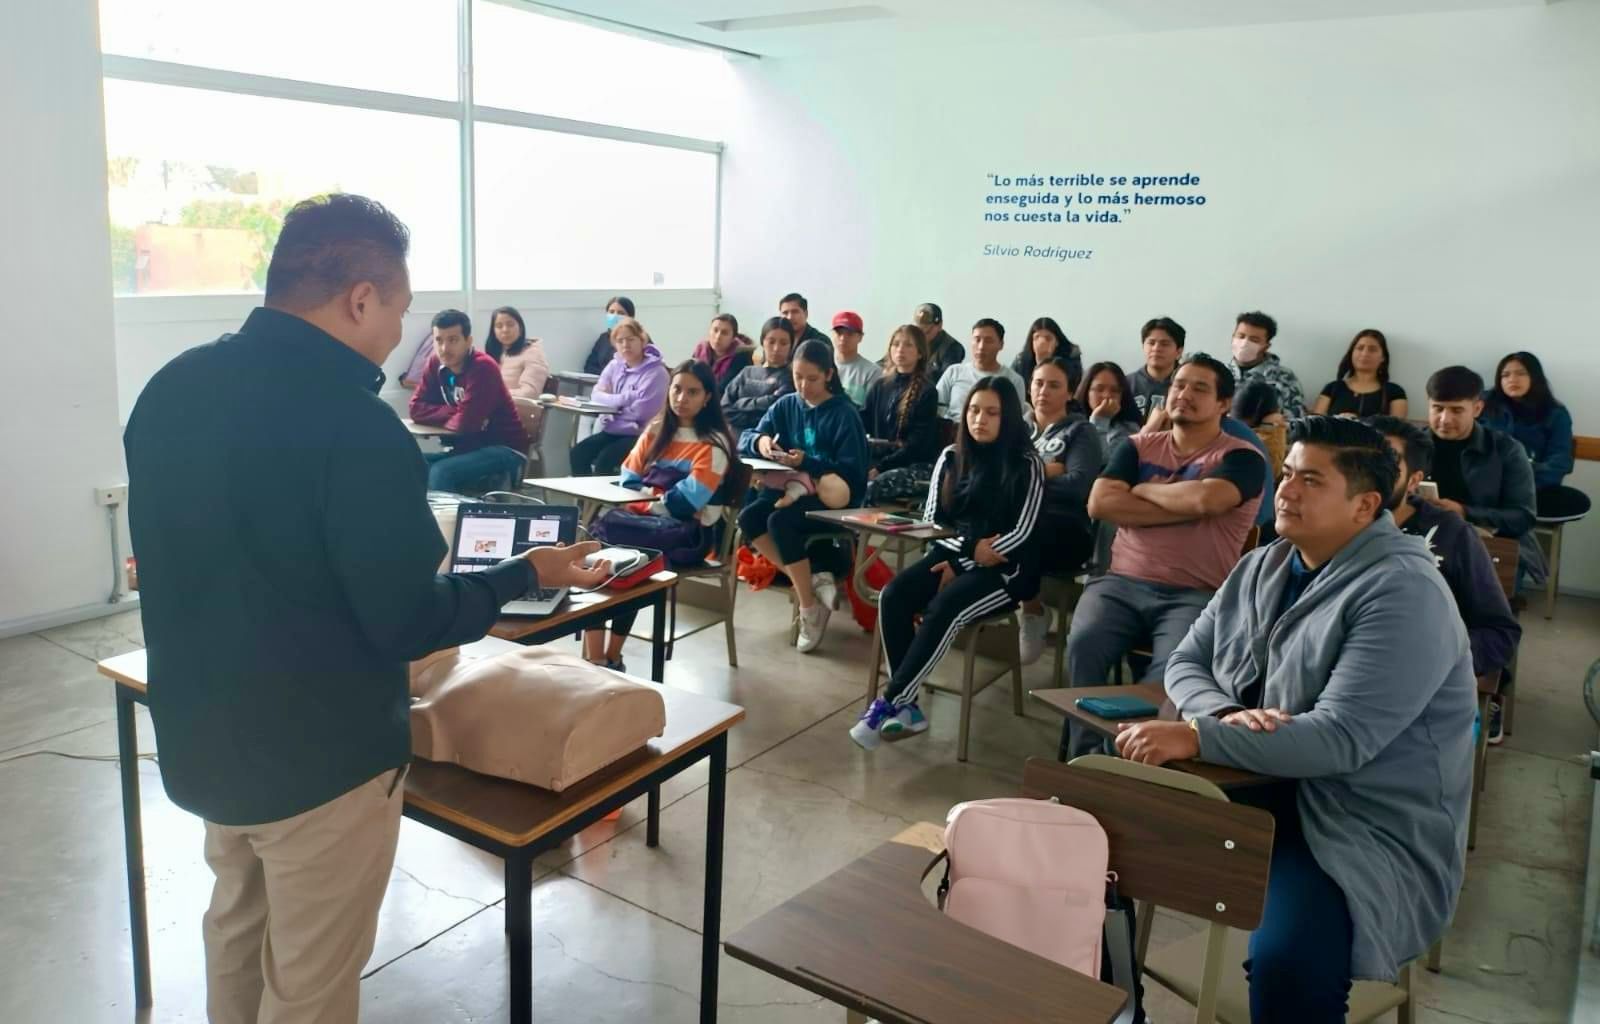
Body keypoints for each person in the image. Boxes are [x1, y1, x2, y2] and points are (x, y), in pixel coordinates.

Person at [123, 194, 609, 1024]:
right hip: (321, 762)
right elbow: (407, 620)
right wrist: (520, 574)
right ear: (359, 298)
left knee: (235, 936)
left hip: (204, 739)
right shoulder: (357, 429)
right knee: (309, 986)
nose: (400, 338)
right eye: (399, 311)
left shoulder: (170, 388)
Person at [1119, 417, 1473, 1022]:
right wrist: (1227, 716)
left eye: (1311, 481)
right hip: (1252, 783)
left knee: (1288, 963)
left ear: (1365, 505)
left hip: (1351, 820)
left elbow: (1340, 740)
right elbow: (1185, 661)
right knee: (1086, 846)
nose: (1285, 492)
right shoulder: (1267, 563)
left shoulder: (1403, 591)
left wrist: (1199, 734)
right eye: (1286, 475)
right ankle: (1123, 1008)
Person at [1063, 355, 1264, 758]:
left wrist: (1140, 490)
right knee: (1083, 644)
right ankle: (1082, 761)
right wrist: (1183, 502)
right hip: (1120, 584)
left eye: (1199, 388)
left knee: (1169, 672)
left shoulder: (1241, 458)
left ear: (1224, 403)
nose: (1184, 394)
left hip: (1196, 595)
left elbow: (1209, 497)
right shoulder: (1137, 447)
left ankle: (1128, 760)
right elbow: (1100, 503)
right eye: (1179, 385)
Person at [849, 377, 1044, 748]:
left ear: (1010, 418)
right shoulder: (951, 456)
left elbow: (1022, 534)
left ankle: (890, 703)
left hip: (1007, 571)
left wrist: (966, 562)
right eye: (973, 410)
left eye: (991, 412)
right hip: (953, 553)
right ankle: (910, 708)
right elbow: (933, 522)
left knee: (946, 608)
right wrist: (967, 553)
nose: (979, 419)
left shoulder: (1026, 464)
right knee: (894, 595)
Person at [583, 361, 737, 672]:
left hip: (688, 535)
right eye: (677, 389)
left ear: (708, 397)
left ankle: (612, 656)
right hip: (645, 526)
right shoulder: (656, 431)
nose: (682, 398)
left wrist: (643, 501)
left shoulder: (714, 444)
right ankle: (596, 657)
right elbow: (628, 478)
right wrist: (649, 500)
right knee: (593, 554)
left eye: (693, 392)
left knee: (631, 562)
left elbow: (685, 503)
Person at [1368, 416, 1521, 703]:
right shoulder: (1330, 525)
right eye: (1357, 461)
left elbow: (1500, 633)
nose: (1367, 474)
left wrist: (1433, 660)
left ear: (1414, 480)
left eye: (1386, 463)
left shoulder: (1452, 534)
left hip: (1419, 689)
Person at [738, 338, 870, 653]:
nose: (803, 385)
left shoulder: (843, 413)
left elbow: (853, 475)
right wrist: (762, 443)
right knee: (749, 518)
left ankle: (808, 609)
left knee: (779, 521)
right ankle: (812, 580)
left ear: (828, 374)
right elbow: (747, 436)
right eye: (798, 377)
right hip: (791, 488)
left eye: (812, 378)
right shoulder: (787, 404)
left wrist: (807, 462)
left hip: (833, 499)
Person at [1017, 357, 1105, 663]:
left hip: (1067, 529)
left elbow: (1077, 485)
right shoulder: (1017, 428)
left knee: (1023, 530)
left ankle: (1032, 611)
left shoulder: (1081, 432)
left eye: (1054, 385)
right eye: (1039, 383)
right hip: (1020, 520)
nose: (1043, 391)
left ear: (1070, 392)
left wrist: (1025, 476)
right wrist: (1047, 470)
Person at [408, 309, 530, 493]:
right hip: (467, 448)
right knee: (409, 463)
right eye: (439, 340)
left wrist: (458, 416)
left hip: (504, 448)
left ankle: (446, 521)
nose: (444, 348)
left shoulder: (483, 367)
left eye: (453, 340)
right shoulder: (435, 364)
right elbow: (415, 409)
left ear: (468, 341)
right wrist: (454, 412)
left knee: (442, 472)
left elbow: (465, 424)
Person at [1422, 365, 1538, 542]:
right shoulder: (1413, 444)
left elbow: (1523, 517)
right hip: (1421, 540)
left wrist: (1464, 512)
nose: (1445, 420)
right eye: (1437, 408)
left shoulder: (1507, 450)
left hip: (1489, 544)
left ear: (1477, 409)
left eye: (1457, 410)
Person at [570, 316, 667, 476]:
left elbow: (641, 412)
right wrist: (625, 399)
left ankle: (603, 501)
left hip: (641, 434)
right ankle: (586, 500)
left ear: (642, 341)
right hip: (613, 429)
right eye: (620, 340)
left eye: (630, 339)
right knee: (578, 453)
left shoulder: (656, 372)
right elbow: (596, 395)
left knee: (605, 461)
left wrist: (611, 408)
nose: (625, 345)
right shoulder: (615, 365)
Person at [1479, 351, 1576, 499]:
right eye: (1505, 375)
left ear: (1535, 377)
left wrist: (1524, 483)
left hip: (1531, 489)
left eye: (1521, 373)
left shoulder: (1556, 414)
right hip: (1483, 483)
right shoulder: (1483, 404)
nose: (1512, 379)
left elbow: (1560, 460)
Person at [862, 324, 941, 506]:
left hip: (914, 465)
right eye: (896, 344)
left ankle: (857, 534)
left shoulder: (927, 392)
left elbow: (916, 446)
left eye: (908, 345)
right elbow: (862, 422)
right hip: (879, 459)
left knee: (875, 485)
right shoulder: (880, 386)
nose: (900, 350)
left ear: (920, 353)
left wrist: (880, 468)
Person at [935, 318, 1027, 422]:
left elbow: (1014, 420)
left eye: (988, 341)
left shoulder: (1013, 380)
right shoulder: (954, 372)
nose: (981, 346)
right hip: (953, 432)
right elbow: (937, 408)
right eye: (977, 339)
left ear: (1001, 345)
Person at [1312, 329, 1407, 419]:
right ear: (1351, 353)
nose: (1365, 353)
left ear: (1383, 357)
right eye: (1360, 348)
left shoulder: (1395, 392)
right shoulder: (1332, 388)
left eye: (1372, 349)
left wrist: (1358, 422)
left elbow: (1396, 431)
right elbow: (1314, 426)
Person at [722, 317, 797, 430]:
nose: (776, 348)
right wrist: (752, 419)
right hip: (735, 440)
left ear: (791, 345)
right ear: (762, 342)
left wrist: (741, 403)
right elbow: (725, 407)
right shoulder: (746, 372)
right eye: (771, 342)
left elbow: (776, 408)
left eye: (783, 343)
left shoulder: (791, 378)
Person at [1228, 310, 1305, 418]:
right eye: (1241, 336)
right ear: (1233, 337)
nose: (1244, 343)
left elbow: (1296, 418)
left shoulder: (1284, 377)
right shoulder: (1217, 373)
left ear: (1266, 346)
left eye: (1254, 340)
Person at [485, 305, 550, 405]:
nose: (505, 330)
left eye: (510, 324)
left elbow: (530, 393)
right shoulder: (494, 353)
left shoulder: (533, 353)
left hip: (518, 412)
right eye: (499, 326)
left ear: (521, 327)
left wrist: (492, 394)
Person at [1128, 316, 1185, 423]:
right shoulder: (1127, 384)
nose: (1156, 348)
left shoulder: (1187, 386)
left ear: (1179, 351)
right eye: (1151, 343)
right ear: (1143, 346)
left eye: (1165, 344)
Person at [1010, 316, 1084, 397]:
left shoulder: (1071, 359)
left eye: (1048, 339)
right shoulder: (1021, 361)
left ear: (1057, 342)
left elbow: (1073, 391)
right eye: (1036, 337)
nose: (1041, 343)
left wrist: (1044, 361)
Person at [1077, 361, 1143, 450]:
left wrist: (1100, 420)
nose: (1107, 395)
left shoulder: (1128, 429)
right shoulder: (1071, 422)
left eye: (1114, 390)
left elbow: (1101, 460)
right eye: (1099, 389)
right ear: (1086, 392)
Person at [691, 313, 754, 397]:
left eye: (724, 333)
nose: (718, 337)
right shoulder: (701, 349)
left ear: (733, 338)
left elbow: (725, 388)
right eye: (715, 330)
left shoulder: (742, 356)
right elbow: (690, 375)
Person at [830, 310, 879, 406]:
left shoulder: (872, 372)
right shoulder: (822, 367)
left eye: (849, 334)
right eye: (839, 333)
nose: (843, 338)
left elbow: (870, 410)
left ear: (860, 337)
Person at [582, 296, 635, 376]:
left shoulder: (638, 339)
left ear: (630, 318)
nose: (615, 316)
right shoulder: (603, 338)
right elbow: (589, 366)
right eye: (611, 312)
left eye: (621, 313)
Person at [914, 302, 966, 382]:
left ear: (940, 326)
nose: (922, 335)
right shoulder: (909, 340)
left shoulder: (952, 348)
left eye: (927, 331)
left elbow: (946, 380)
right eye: (919, 330)